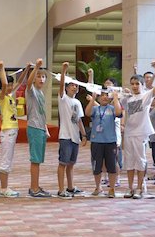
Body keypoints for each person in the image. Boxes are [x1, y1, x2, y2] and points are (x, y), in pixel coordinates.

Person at [122, 61, 155, 199]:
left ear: (142, 85)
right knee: (129, 161)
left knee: (140, 161)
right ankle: (130, 188)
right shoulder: (127, 98)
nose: (134, 86)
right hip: (129, 132)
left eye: (137, 84)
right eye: (132, 84)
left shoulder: (146, 95)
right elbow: (110, 97)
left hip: (141, 133)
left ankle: (140, 188)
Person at [0, 61, 30, 197]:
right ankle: (4, 189)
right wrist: (2, 68)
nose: (10, 87)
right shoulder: (1, 96)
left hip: (12, 130)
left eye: (11, 84)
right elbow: (3, 84)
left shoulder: (10, 95)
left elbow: (20, 82)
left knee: (8, 160)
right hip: (8, 130)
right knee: (6, 160)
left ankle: (5, 187)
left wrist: (26, 68)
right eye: (8, 85)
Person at [57, 62, 88, 199]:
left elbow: (79, 120)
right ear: (66, 88)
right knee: (63, 163)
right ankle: (61, 189)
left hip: (75, 136)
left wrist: (84, 134)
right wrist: (64, 71)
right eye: (71, 85)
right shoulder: (63, 99)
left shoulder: (78, 103)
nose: (74, 87)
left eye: (76, 85)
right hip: (65, 136)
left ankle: (70, 187)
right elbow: (61, 85)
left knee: (71, 164)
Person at [85, 89, 122, 198]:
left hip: (110, 141)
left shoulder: (112, 109)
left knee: (111, 165)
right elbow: (87, 113)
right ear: (98, 97)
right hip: (96, 141)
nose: (104, 97)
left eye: (106, 95)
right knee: (97, 165)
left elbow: (119, 112)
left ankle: (112, 188)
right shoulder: (95, 109)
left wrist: (115, 98)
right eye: (102, 95)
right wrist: (92, 99)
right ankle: (98, 187)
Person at [25, 58, 51, 197]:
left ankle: (36, 185)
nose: (41, 79)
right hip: (34, 127)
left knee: (38, 160)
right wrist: (36, 68)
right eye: (38, 77)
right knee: (35, 159)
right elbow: (28, 83)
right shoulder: (32, 91)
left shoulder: (41, 93)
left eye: (43, 77)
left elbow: (42, 112)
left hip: (40, 128)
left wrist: (45, 128)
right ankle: (33, 188)